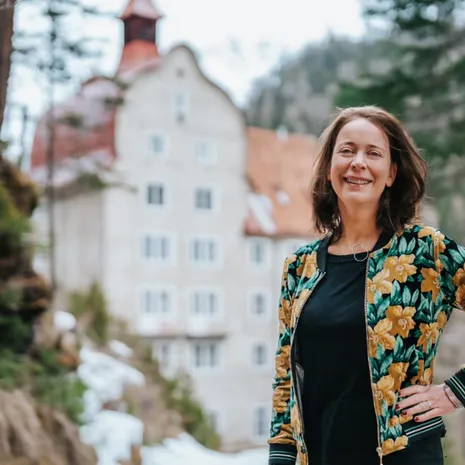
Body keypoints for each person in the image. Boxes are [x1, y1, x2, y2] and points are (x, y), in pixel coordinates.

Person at [268, 106, 465, 465]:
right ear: (329, 168)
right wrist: (280, 457)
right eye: (347, 150)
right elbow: (286, 377)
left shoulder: (426, 251)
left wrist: (455, 392)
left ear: (391, 174)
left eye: (373, 153)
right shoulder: (300, 267)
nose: (358, 162)